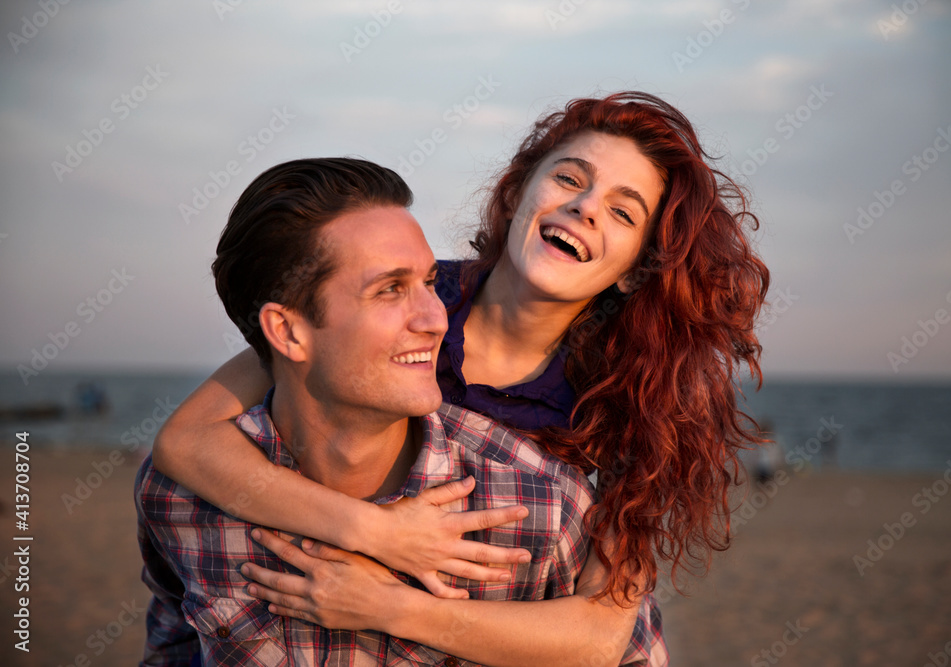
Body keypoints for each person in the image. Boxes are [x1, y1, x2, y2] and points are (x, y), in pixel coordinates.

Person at [153, 91, 769, 665]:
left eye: (621, 211)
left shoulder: (631, 398)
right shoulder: (406, 307)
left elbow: (601, 634)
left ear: (636, 270)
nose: (584, 207)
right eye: (568, 178)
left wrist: (390, 607)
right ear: (519, 194)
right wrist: (378, 533)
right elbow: (187, 440)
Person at [135, 157, 603, 666]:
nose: (435, 318)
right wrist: (373, 532)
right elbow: (172, 645)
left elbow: (608, 646)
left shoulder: (542, 509)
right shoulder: (181, 495)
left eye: (428, 282)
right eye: (390, 289)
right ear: (288, 332)